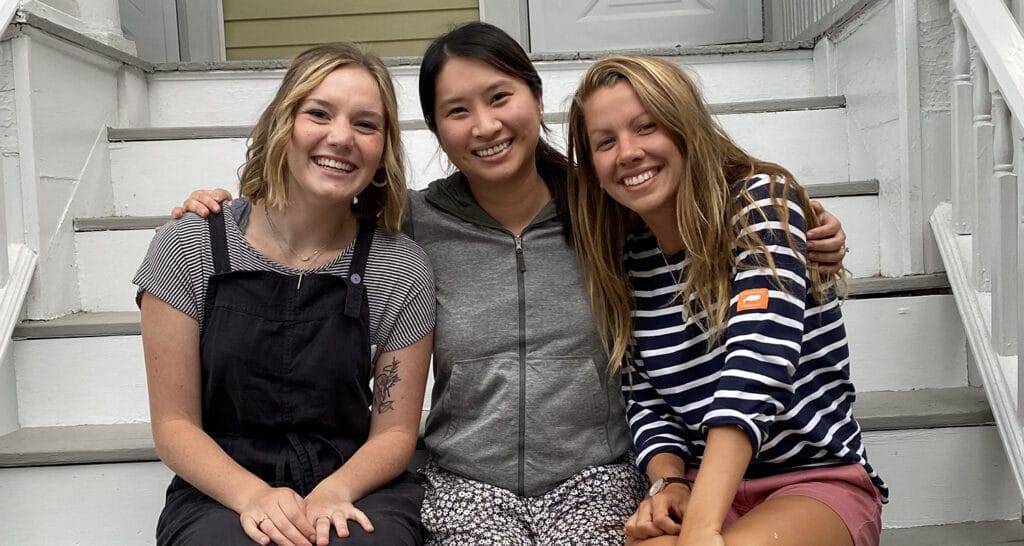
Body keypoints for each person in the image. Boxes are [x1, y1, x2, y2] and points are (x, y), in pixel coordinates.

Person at [172, 23, 850, 545]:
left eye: (500, 97)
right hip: (464, 482)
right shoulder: (411, 222)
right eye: (457, 111)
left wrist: (805, 228)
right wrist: (226, 207)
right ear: (435, 129)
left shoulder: (607, 206)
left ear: (535, 96)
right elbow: (315, 206)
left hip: (601, 477)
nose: (487, 126)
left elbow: (699, 212)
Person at [565, 55, 886, 546]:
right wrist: (668, 482)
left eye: (646, 126)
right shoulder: (627, 258)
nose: (627, 152)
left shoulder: (759, 204)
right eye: (604, 141)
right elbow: (646, 398)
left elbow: (757, 366)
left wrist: (701, 528)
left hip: (811, 480)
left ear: (684, 126)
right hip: (699, 486)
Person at [136, 42, 435, 546]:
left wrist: (333, 492)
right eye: (318, 113)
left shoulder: (398, 265)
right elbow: (174, 424)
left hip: (352, 477)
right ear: (282, 125)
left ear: (383, 151)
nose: (341, 138)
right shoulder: (190, 243)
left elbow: (395, 433)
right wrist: (252, 495)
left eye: (366, 124)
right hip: (222, 485)